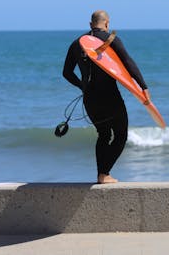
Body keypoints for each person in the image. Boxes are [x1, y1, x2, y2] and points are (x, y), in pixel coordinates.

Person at [62, 10, 151, 184]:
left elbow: (66, 73)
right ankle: (104, 174)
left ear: (90, 24)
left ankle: (102, 175)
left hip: (90, 98)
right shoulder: (112, 40)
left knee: (103, 134)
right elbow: (128, 62)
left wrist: (82, 86)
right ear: (107, 23)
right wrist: (143, 86)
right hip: (110, 96)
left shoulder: (77, 44)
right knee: (120, 135)